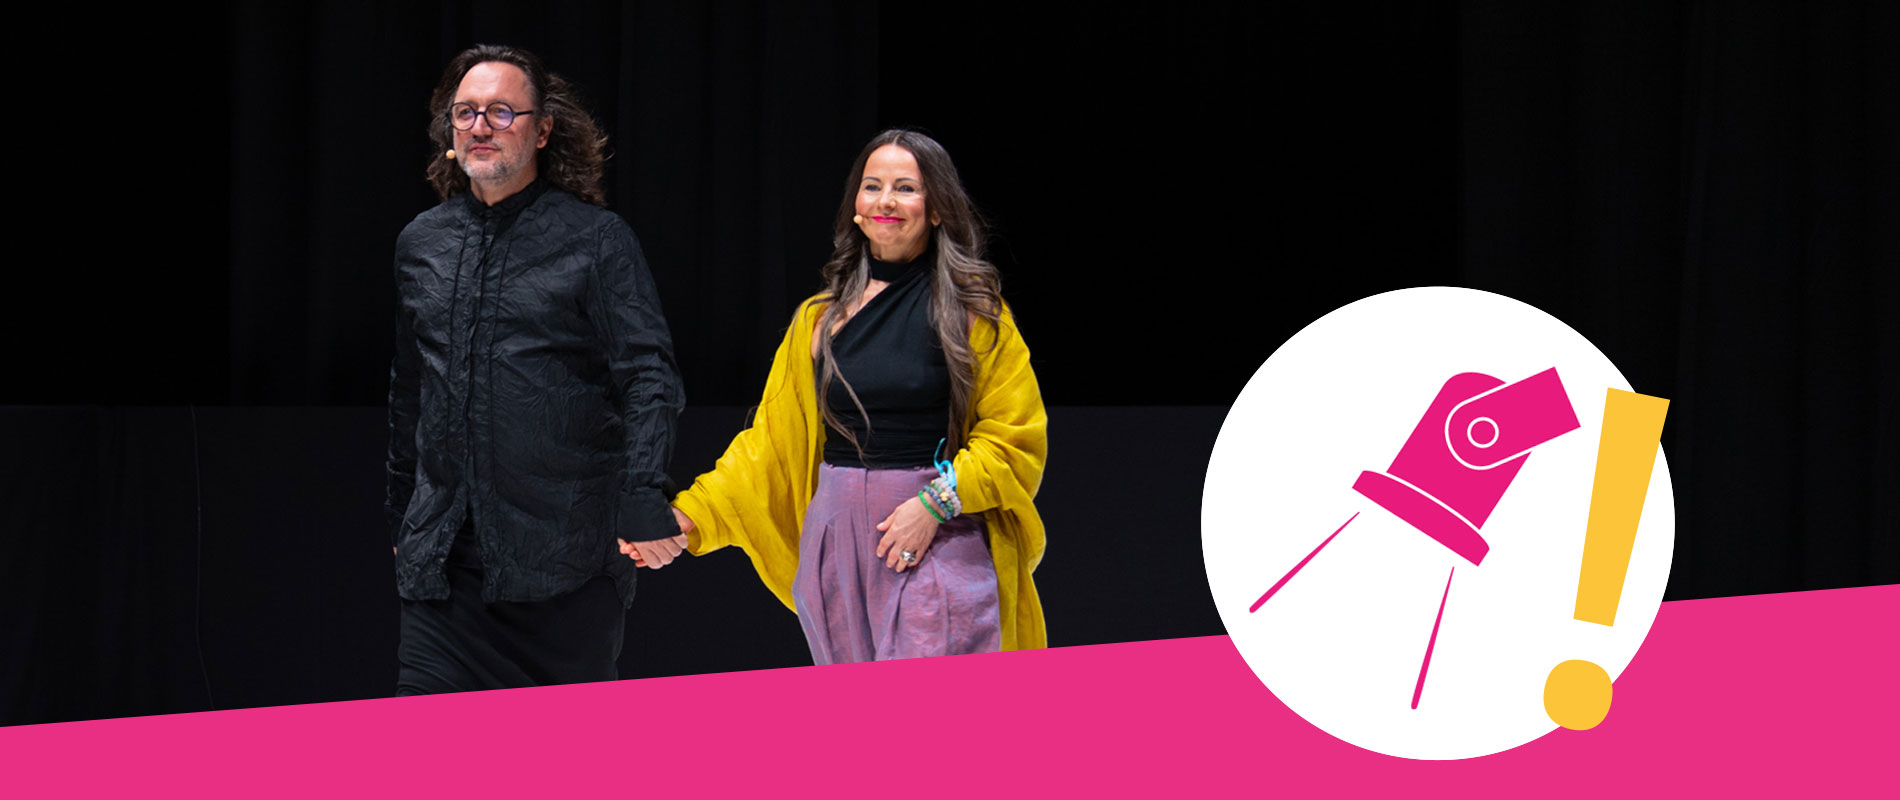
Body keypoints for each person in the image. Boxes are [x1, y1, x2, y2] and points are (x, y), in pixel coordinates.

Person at [642, 129, 1048, 663]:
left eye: (906, 188)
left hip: (934, 533)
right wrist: (689, 518)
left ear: (937, 209)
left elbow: (1014, 440)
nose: (885, 200)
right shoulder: (819, 321)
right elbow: (768, 447)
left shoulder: (975, 315)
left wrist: (935, 503)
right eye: (872, 186)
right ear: (856, 207)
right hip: (835, 541)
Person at [386, 44, 687, 694]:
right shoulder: (421, 243)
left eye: (501, 112)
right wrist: (400, 519)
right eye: (465, 113)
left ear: (543, 129)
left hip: (565, 568)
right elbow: (410, 392)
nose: (480, 126)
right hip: (445, 570)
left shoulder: (597, 240)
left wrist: (642, 492)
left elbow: (649, 376)